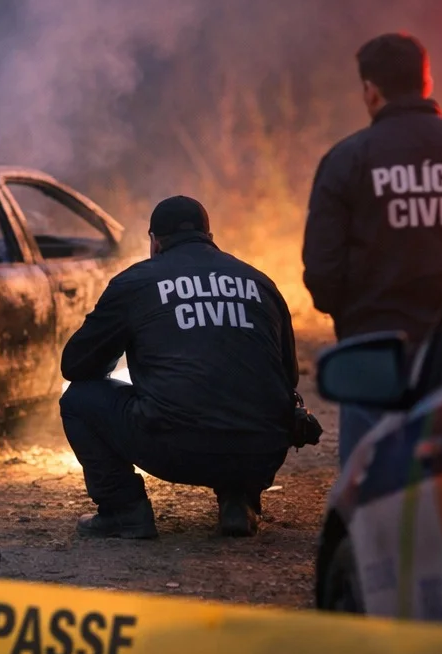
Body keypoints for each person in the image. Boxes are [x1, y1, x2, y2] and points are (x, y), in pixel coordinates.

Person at [302, 33, 442, 464]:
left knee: (372, 486)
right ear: (427, 80)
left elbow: (323, 272)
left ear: (370, 90)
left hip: (376, 356)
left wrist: (354, 318)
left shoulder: (347, 160)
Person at [59, 196, 304, 540]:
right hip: (261, 452)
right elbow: (288, 376)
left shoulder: (136, 282)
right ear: (210, 236)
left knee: (78, 400)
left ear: (154, 242)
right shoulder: (260, 282)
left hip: (177, 449)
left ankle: (123, 510)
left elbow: (75, 366)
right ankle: (239, 498)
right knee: (242, 398)